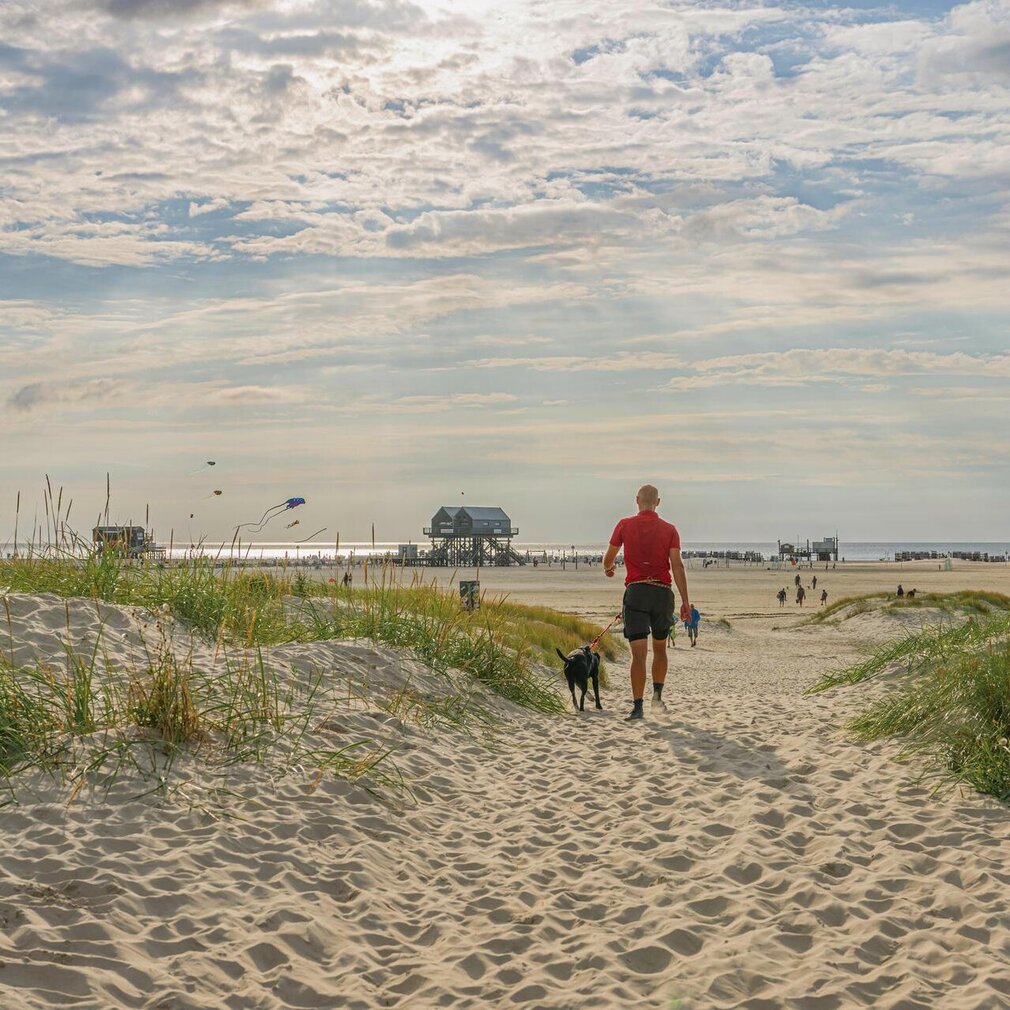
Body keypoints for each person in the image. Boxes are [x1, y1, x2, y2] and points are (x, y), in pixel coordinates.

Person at [603, 484, 691, 721]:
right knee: (660, 649)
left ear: (637, 500)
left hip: (637, 593)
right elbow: (677, 565)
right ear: (658, 502)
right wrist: (685, 601)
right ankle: (657, 698)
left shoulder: (624, 524)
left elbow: (608, 560)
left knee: (638, 655)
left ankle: (638, 706)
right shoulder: (670, 529)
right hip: (662, 594)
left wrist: (609, 569)